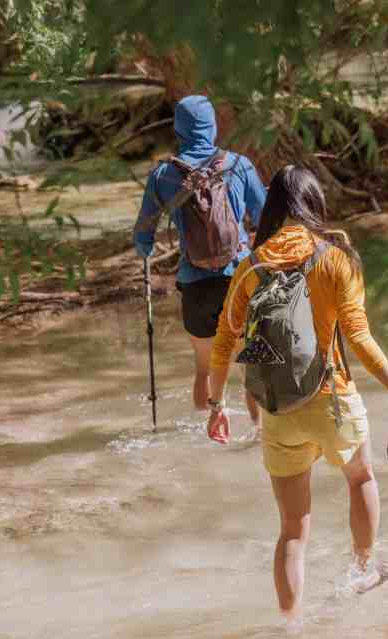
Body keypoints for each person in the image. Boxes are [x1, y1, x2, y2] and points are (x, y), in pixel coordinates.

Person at [205, 165, 388, 624]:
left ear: (273, 210)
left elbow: (225, 341)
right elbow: (360, 338)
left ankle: (290, 627)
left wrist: (216, 406)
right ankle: (364, 570)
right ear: (314, 205)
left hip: (279, 411)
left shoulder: (251, 265)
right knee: (361, 477)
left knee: (292, 530)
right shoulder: (335, 258)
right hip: (332, 399)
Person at [134, 95, 265, 430]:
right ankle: (256, 434)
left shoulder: (163, 174)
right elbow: (265, 217)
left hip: (194, 284)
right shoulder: (239, 165)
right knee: (248, 365)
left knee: (204, 367)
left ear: (178, 129)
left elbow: (143, 235)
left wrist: (146, 250)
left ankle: (201, 430)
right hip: (238, 280)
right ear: (213, 125)